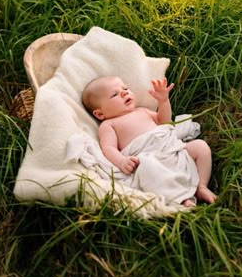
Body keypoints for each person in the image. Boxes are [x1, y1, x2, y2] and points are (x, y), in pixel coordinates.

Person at [82, 75, 217, 206]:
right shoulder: (109, 125)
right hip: (149, 158)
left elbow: (164, 122)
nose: (124, 93)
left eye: (125, 88)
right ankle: (180, 199)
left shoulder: (142, 111)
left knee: (200, 146)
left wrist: (163, 102)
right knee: (150, 168)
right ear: (100, 114)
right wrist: (122, 161)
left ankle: (202, 186)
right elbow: (108, 148)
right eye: (114, 95)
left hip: (172, 150)